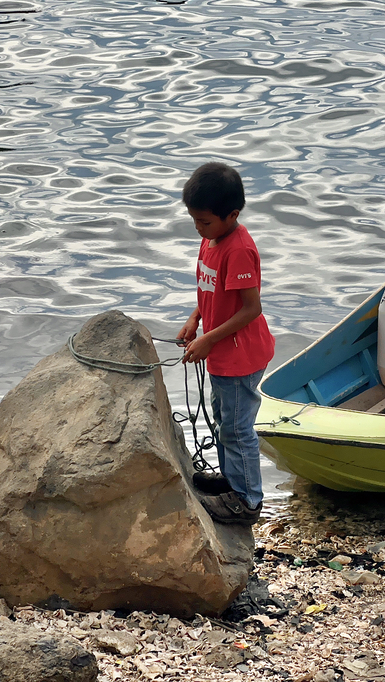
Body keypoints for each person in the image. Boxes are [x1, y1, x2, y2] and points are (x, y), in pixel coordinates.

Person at [177, 162, 275, 525]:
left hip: (240, 356)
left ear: (232, 215)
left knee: (236, 428)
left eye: (204, 222)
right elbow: (211, 291)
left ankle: (247, 500)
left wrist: (208, 339)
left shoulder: (239, 250)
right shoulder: (211, 240)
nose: (198, 228)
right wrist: (195, 319)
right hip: (221, 352)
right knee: (222, 421)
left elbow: (251, 309)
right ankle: (233, 481)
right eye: (195, 221)